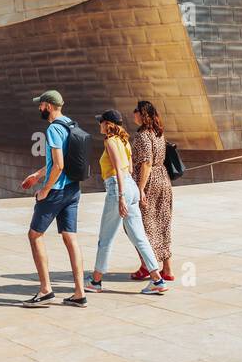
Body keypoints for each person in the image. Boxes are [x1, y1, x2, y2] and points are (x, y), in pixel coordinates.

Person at [86, 111, 167, 295]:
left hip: (118, 188)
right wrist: (133, 192)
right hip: (130, 187)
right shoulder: (125, 142)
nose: (100, 125)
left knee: (105, 238)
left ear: (108, 124)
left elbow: (117, 170)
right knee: (140, 237)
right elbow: (129, 168)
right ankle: (157, 280)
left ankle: (96, 282)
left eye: (101, 122)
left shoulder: (110, 141)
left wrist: (121, 196)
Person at [20, 89, 86, 308]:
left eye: (41, 104)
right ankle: (79, 293)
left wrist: (45, 190)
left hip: (56, 191)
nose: (39, 108)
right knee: (70, 238)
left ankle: (46, 290)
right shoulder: (70, 124)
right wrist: (38, 175)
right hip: (73, 189)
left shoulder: (53, 129)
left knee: (34, 235)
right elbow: (58, 160)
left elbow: (59, 165)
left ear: (48, 106)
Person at [130, 99, 175, 283]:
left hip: (149, 183)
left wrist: (140, 188)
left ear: (142, 114)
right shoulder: (159, 132)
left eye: (136, 111)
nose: (133, 113)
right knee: (162, 224)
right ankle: (167, 269)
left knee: (142, 227)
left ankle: (145, 266)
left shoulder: (142, 135)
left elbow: (146, 163)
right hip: (163, 179)